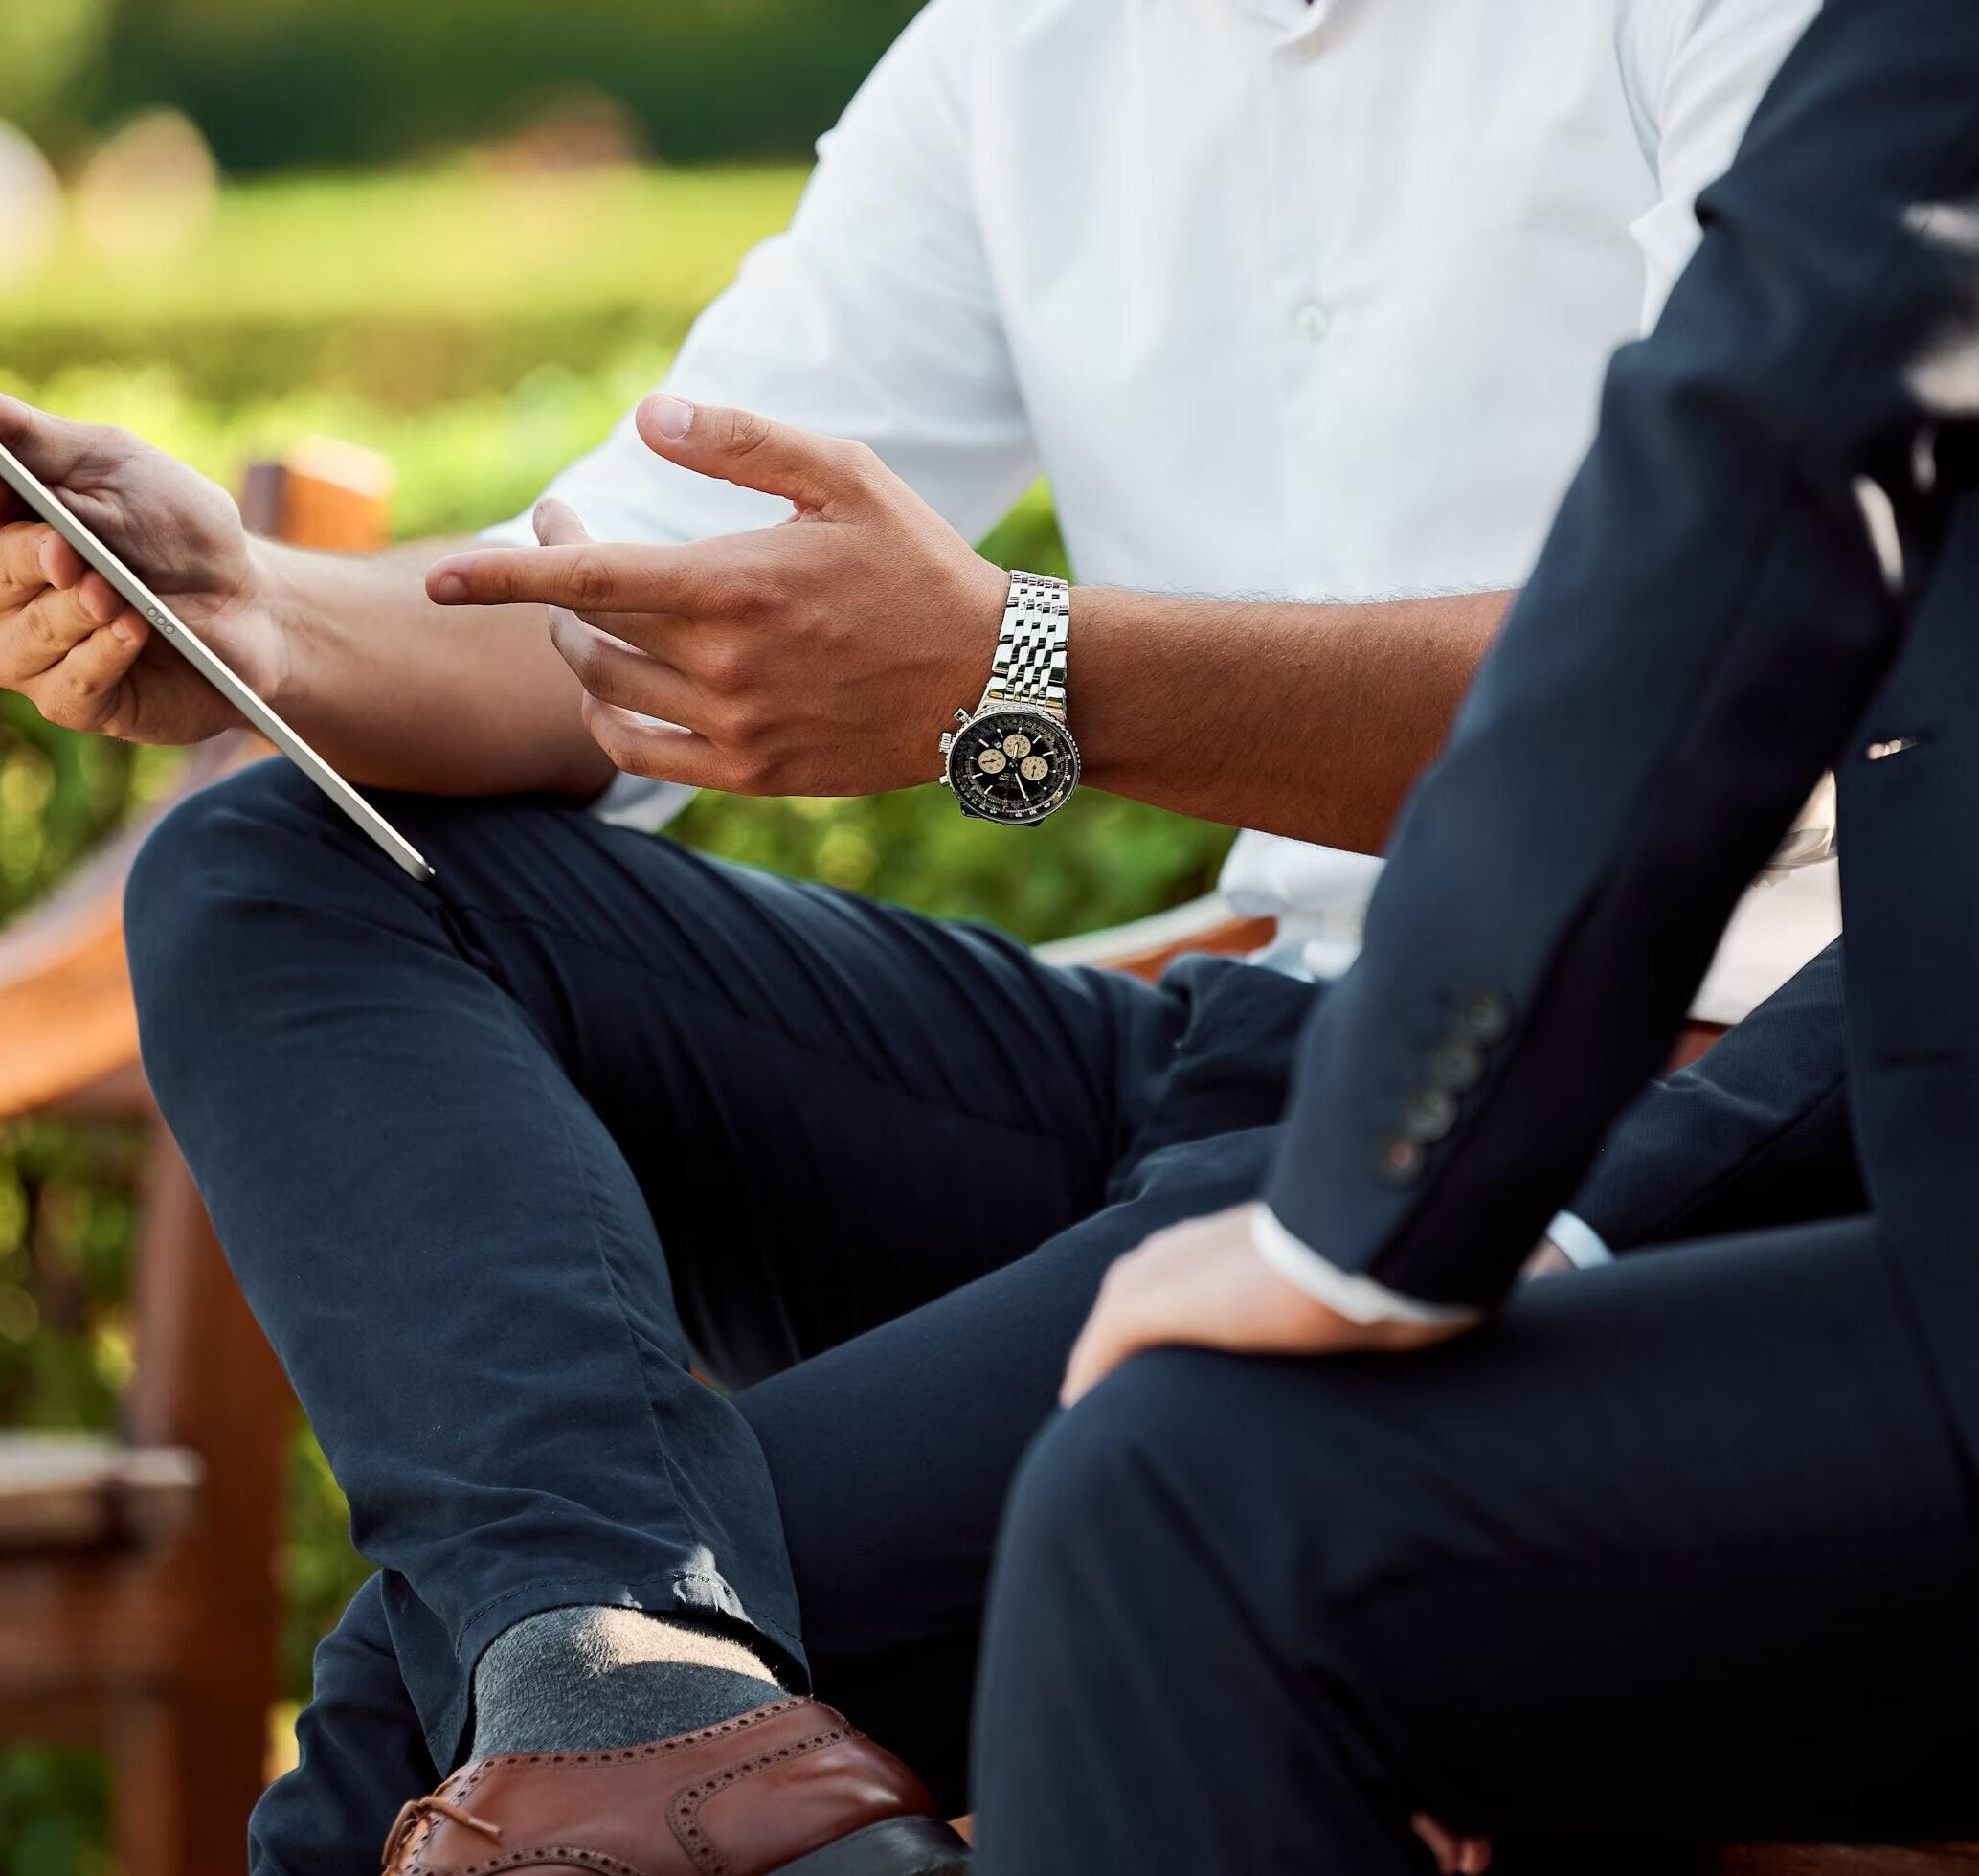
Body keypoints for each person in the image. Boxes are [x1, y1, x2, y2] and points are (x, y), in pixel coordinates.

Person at [0, 0, 1836, 1866]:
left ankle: (623, 1685)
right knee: (262, 866)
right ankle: (629, 1665)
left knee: (412, 1735)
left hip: (1653, 1098)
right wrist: (252, 611)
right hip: (1241, 1056)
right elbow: (621, 605)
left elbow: (1731, 693)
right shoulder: (1024, 43)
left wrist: (1011, 673)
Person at [964, 0, 1979, 1866]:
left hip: (1630, 1134)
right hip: (1276, 1064)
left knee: (1181, 1509)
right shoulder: (1003, 57)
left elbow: (1764, 462)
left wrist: (1363, 1221)